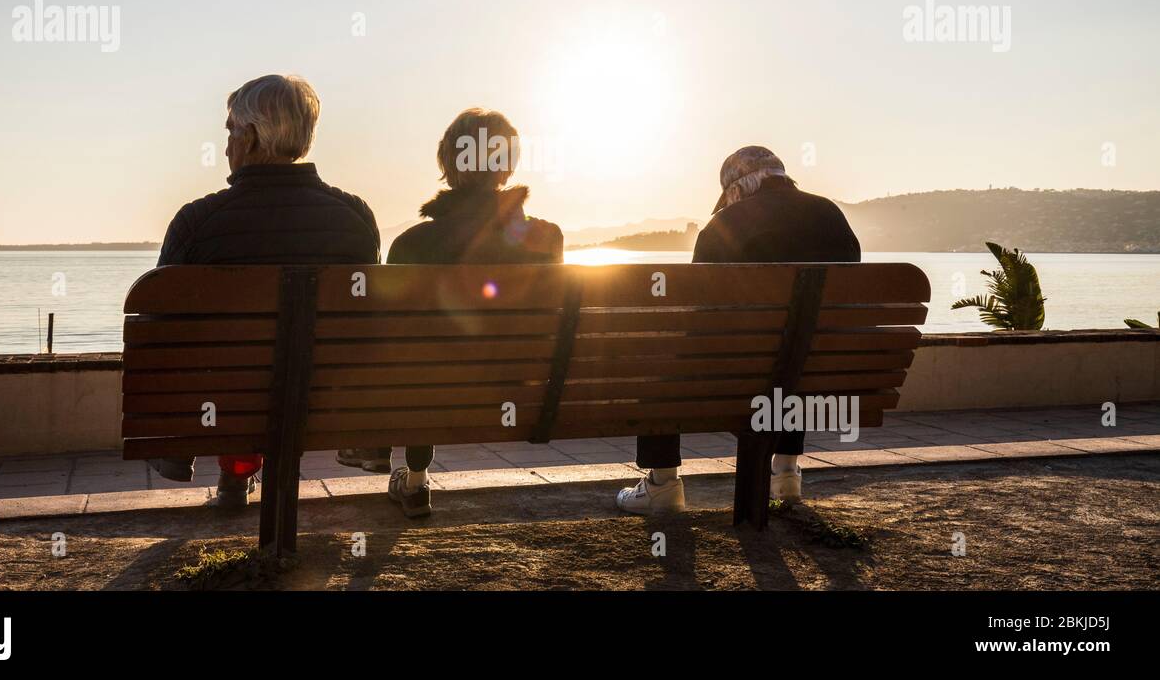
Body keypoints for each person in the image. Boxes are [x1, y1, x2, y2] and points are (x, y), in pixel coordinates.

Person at [149, 74, 380, 507]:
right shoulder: (355, 218)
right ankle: (243, 480)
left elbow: (162, 329)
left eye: (231, 132)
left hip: (225, 403)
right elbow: (364, 318)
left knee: (232, 360)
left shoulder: (197, 222)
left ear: (252, 138)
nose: (226, 146)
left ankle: (234, 474)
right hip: (328, 396)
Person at [616, 146, 861, 515]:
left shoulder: (725, 225)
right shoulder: (831, 215)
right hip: (826, 373)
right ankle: (785, 472)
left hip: (732, 377)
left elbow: (698, 312)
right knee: (795, 348)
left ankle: (662, 484)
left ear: (736, 189)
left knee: (659, 359)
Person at [345, 108, 562, 518]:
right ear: (508, 164)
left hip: (431, 389)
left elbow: (391, 339)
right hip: (522, 390)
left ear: (448, 163)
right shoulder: (546, 238)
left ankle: (413, 479)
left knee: (417, 356)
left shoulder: (411, 244)